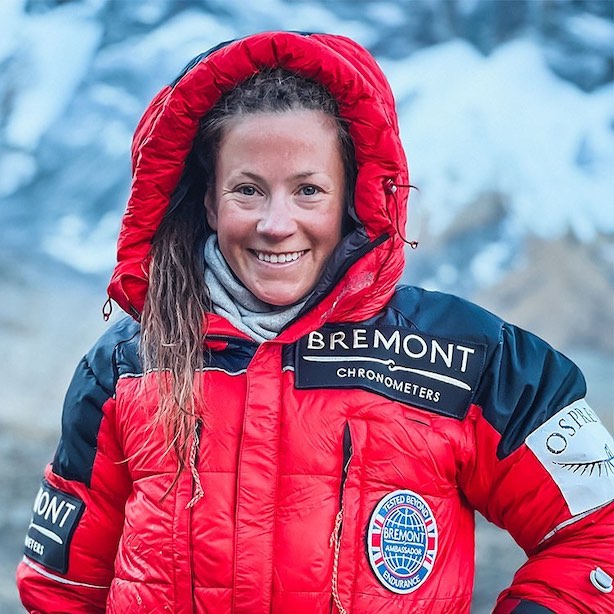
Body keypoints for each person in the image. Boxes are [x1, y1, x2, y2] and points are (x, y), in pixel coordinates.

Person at [16, 31, 613, 614]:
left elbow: (599, 531)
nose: (277, 224)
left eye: (308, 190)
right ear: (209, 201)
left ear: (353, 197)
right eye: (247, 190)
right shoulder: (124, 367)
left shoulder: (471, 362)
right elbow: (61, 591)